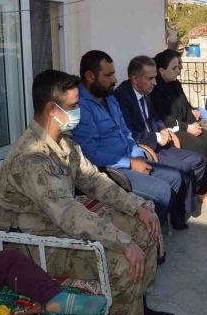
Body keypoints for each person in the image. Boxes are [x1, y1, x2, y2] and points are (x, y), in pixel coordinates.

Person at [0, 69, 175, 315]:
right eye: (74, 106)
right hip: (39, 244)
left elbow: (94, 180)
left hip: (61, 227)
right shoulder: (32, 157)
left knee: (144, 226)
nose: (79, 111)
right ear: (52, 110)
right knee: (122, 262)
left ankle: (137, 310)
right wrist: (121, 241)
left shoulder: (64, 143)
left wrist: (137, 207)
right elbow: (68, 214)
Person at [71, 51, 183, 224]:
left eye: (114, 73)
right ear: (90, 76)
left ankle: (151, 228)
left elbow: (125, 132)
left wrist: (138, 155)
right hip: (109, 170)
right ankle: (146, 232)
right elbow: (90, 154)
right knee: (162, 191)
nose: (115, 79)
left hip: (130, 158)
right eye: (108, 75)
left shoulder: (109, 97)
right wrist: (130, 163)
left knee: (175, 177)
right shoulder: (80, 106)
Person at [115, 55, 207, 226]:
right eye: (150, 78)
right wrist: (158, 137)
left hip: (159, 143)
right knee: (183, 169)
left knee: (198, 160)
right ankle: (177, 216)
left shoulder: (145, 91)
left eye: (155, 78)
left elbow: (155, 117)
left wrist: (164, 130)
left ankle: (181, 206)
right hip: (144, 149)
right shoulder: (122, 98)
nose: (155, 82)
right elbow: (130, 134)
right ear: (135, 79)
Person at [150, 49, 207, 204]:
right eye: (174, 68)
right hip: (173, 129)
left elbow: (185, 105)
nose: (178, 71)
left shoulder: (175, 84)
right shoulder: (155, 89)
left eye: (178, 67)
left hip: (186, 124)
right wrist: (186, 128)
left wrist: (193, 119)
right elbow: (162, 118)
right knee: (198, 145)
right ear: (161, 70)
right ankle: (200, 190)